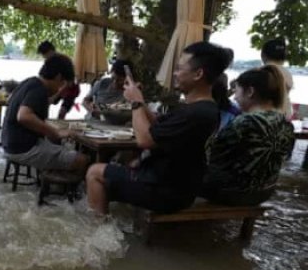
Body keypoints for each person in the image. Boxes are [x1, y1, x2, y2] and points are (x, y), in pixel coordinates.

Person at [85, 41, 232, 215]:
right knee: (124, 164)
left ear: (198, 73)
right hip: (176, 185)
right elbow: (157, 126)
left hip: (167, 191)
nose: (175, 74)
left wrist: (135, 102)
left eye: (179, 69)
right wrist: (140, 101)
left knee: (94, 172)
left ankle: (97, 233)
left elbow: (144, 140)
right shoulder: (203, 108)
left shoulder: (197, 112)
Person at [202, 66, 295, 206]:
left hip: (230, 193)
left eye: (237, 91)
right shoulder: (286, 124)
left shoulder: (246, 122)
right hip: (264, 192)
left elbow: (210, 156)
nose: (235, 97)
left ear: (250, 92)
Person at [1, 54, 89, 174]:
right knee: (82, 160)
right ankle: (68, 192)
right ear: (58, 77)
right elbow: (24, 116)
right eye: (62, 83)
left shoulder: (30, 82)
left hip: (10, 143)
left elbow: (34, 103)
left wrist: (59, 93)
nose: (60, 88)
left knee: (59, 144)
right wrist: (56, 132)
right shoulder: (39, 89)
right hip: (23, 148)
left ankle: (54, 185)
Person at [37, 40, 81, 119]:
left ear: (51, 51)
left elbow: (69, 82)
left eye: (44, 54)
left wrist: (54, 96)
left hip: (69, 89)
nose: (44, 57)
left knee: (62, 112)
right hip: (55, 87)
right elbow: (41, 77)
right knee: (44, 103)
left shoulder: (65, 61)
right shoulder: (47, 62)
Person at [261, 38, 293, 118]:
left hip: (264, 119)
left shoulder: (262, 72)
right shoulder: (288, 74)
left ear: (263, 55)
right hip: (284, 117)